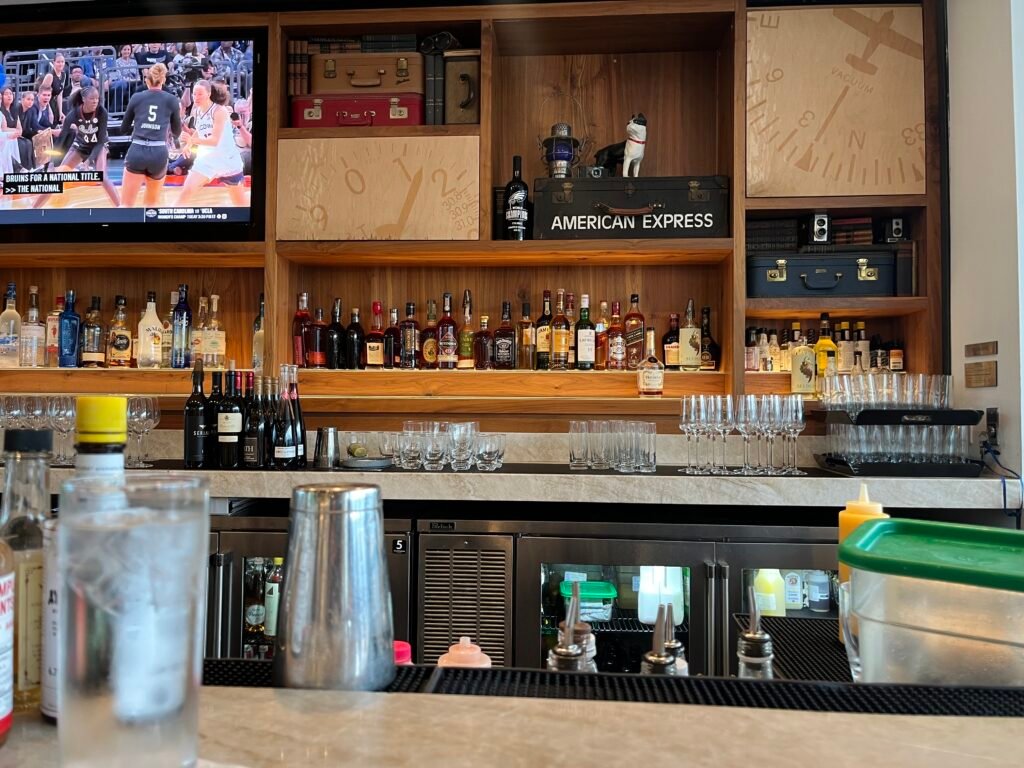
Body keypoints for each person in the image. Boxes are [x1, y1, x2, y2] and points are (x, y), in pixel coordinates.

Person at [32, 86, 119, 208]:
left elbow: (100, 142)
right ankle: (34, 208)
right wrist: (52, 162)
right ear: (84, 99)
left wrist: (88, 161)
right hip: (81, 145)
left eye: (97, 99)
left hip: (99, 145)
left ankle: (120, 207)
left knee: (102, 176)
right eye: (92, 98)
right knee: (58, 177)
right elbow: (62, 138)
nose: (95, 101)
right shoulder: (73, 114)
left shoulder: (101, 112)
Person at [119, 63, 181, 208]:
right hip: (159, 151)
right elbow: (177, 132)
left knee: (126, 205)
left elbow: (123, 128)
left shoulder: (136, 97)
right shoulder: (171, 99)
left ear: (146, 80)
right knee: (152, 206)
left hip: (138, 149)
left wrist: (140, 122)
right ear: (163, 80)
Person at [177, 79, 246, 207]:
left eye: (199, 94)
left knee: (241, 206)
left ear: (208, 94)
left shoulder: (220, 111)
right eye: (194, 94)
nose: (196, 97)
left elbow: (214, 141)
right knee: (186, 193)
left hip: (227, 160)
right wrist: (189, 145)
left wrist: (192, 140)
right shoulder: (197, 111)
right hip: (207, 161)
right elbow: (200, 130)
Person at [23, 86, 56, 169]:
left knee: (57, 135)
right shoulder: (33, 107)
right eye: (44, 95)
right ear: (38, 95)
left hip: (34, 131)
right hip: (27, 132)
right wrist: (51, 131)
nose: (46, 97)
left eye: (48, 95)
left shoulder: (45, 107)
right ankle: (40, 165)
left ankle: (53, 163)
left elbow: (46, 122)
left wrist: (57, 128)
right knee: (46, 136)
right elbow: (34, 125)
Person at [110, 44, 141, 112]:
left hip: (133, 82)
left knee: (138, 88)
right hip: (123, 83)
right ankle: (115, 111)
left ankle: (134, 110)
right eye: (124, 50)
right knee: (124, 85)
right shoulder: (116, 62)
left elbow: (137, 75)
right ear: (121, 51)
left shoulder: (134, 61)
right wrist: (131, 80)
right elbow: (119, 77)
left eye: (128, 50)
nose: (126, 51)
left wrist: (136, 79)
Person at [0, 86, 23, 177]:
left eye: (0, 99)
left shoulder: (14, 110)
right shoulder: (2, 112)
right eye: (6, 94)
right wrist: (12, 133)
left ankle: (16, 168)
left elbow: (20, 128)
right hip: (4, 137)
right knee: (11, 140)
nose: (9, 96)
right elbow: (4, 129)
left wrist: (16, 132)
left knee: (23, 142)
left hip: (6, 136)